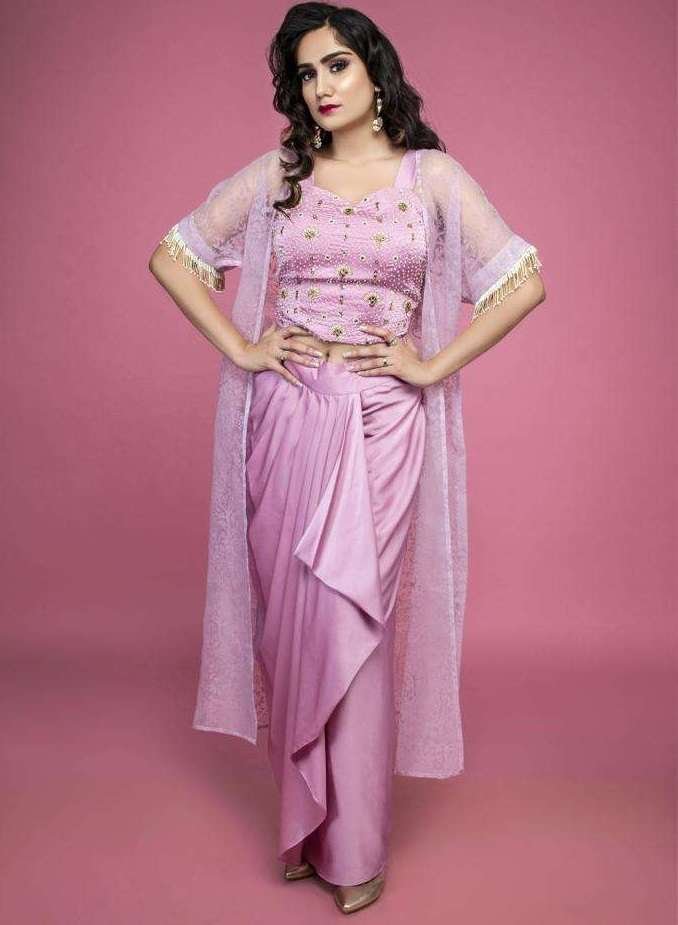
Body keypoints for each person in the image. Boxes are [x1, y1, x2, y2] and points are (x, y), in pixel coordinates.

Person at [149, 3, 545, 915]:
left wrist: (432, 365)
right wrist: (243, 347)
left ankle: (356, 842)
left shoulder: (431, 178)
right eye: (305, 73)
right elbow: (175, 255)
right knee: (293, 622)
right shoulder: (281, 174)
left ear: (375, 69)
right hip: (287, 413)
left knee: (354, 621)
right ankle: (304, 822)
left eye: (336, 65)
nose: (321, 86)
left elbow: (524, 280)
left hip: (384, 420)